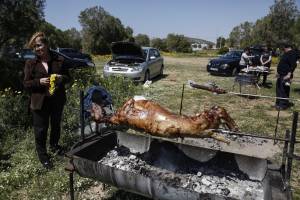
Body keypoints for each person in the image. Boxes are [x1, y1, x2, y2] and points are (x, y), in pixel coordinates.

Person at [23, 32, 71, 169]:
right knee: (40, 130)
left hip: (57, 100)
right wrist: (39, 81)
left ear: (46, 44)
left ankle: (55, 146)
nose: (37, 49)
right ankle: (43, 157)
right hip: (39, 102)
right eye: (34, 47)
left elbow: (69, 78)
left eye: (39, 45)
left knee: (56, 125)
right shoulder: (31, 63)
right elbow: (26, 84)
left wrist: (61, 78)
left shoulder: (59, 60)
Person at [275, 43, 298, 110]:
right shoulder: (286, 54)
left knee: (284, 91)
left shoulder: (292, 53)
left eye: (284, 48)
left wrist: (289, 74)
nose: (283, 49)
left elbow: (293, 65)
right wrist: (278, 73)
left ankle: (283, 105)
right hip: (281, 75)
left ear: (287, 47)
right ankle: (278, 103)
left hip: (286, 75)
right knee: (278, 90)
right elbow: (283, 63)